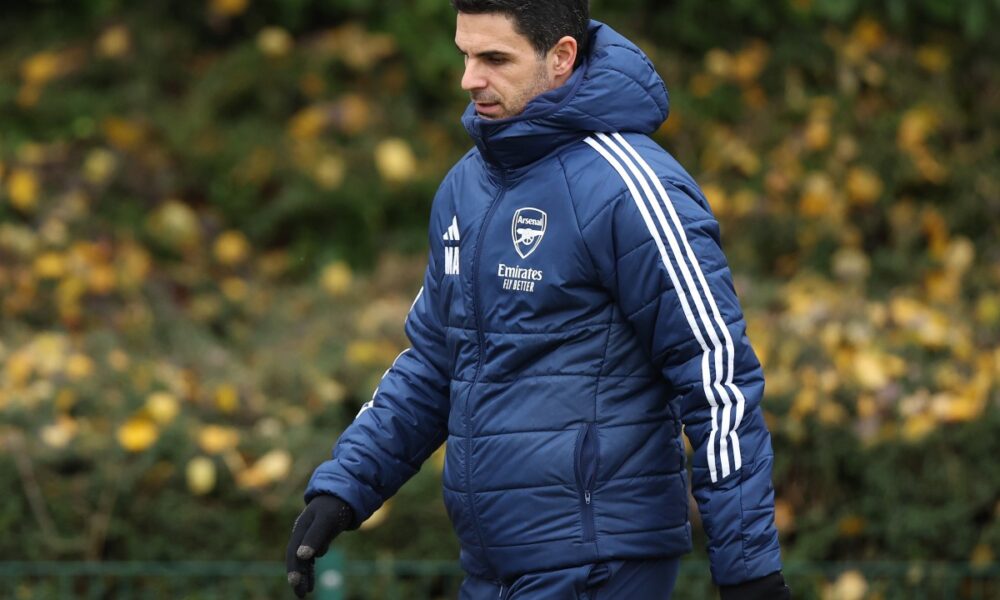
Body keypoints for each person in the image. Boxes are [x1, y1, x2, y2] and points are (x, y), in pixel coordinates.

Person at [286, 1, 791, 598]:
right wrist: (345, 487)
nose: (470, 79)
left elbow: (715, 376)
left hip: (600, 567)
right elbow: (434, 362)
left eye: (495, 58)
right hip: (492, 568)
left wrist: (748, 569)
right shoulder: (465, 187)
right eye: (466, 55)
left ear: (561, 58)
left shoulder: (631, 187)